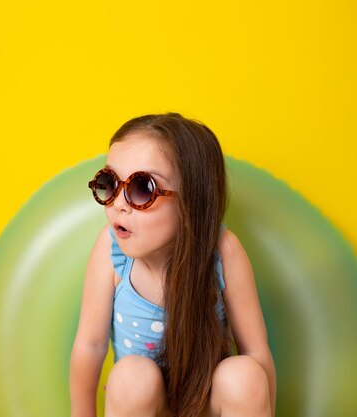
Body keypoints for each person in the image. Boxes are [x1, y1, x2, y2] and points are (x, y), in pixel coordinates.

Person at [69, 113, 276, 417]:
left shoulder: (223, 252)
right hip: (147, 408)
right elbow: (90, 345)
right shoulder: (112, 252)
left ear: (190, 202)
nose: (119, 204)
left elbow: (257, 351)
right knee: (130, 377)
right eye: (109, 183)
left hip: (206, 407)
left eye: (142, 188)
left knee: (245, 374)